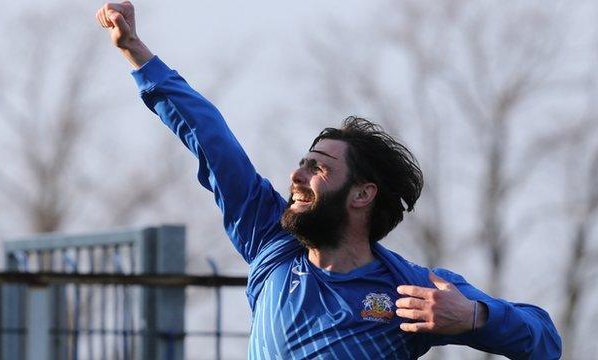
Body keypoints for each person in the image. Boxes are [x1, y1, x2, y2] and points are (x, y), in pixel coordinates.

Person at [96, 2, 562, 359]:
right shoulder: (269, 240)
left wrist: (475, 316)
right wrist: (137, 53)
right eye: (302, 162)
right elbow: (212, 140)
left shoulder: (409, 292)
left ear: (362, 194)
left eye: (318, 167)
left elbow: (545, 339)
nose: (296, 175)